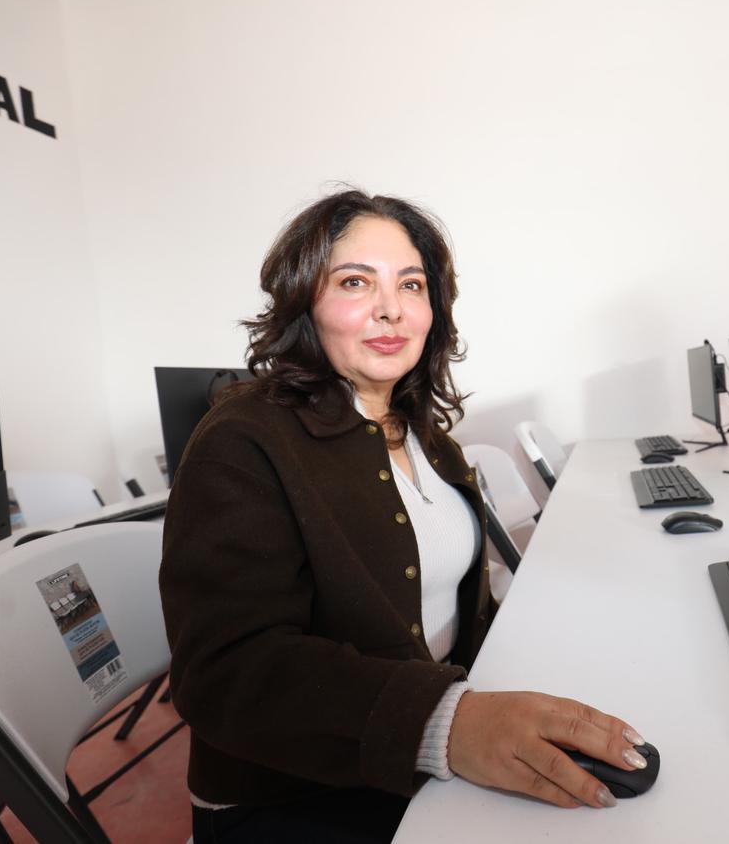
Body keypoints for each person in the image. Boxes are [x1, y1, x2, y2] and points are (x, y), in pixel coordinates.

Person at [159, 188, 648, 843]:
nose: (391, 307)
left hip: (425, 748)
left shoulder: (427, 437)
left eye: (411, 285)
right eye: (355, 281)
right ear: (304, 302)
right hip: (296, 794)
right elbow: (225, 673)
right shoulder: (242, 440)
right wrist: (448, 723)